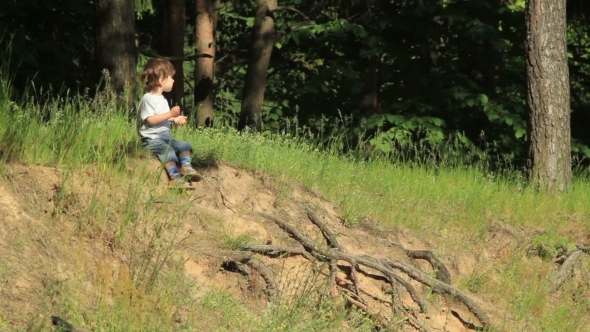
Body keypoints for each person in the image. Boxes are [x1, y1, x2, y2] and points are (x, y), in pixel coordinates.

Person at [137, 58, 201, 189]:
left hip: (165, 138)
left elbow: (163, 116)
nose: (173, 80)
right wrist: (170, 114)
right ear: (161, 80)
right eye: (171, 77)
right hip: (151, 139)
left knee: (185, 145)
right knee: (168, 150)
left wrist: (175, 119)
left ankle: (186, 167)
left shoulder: (162, 99)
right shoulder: (148, 98)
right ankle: (174, 177)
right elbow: (150, 119)